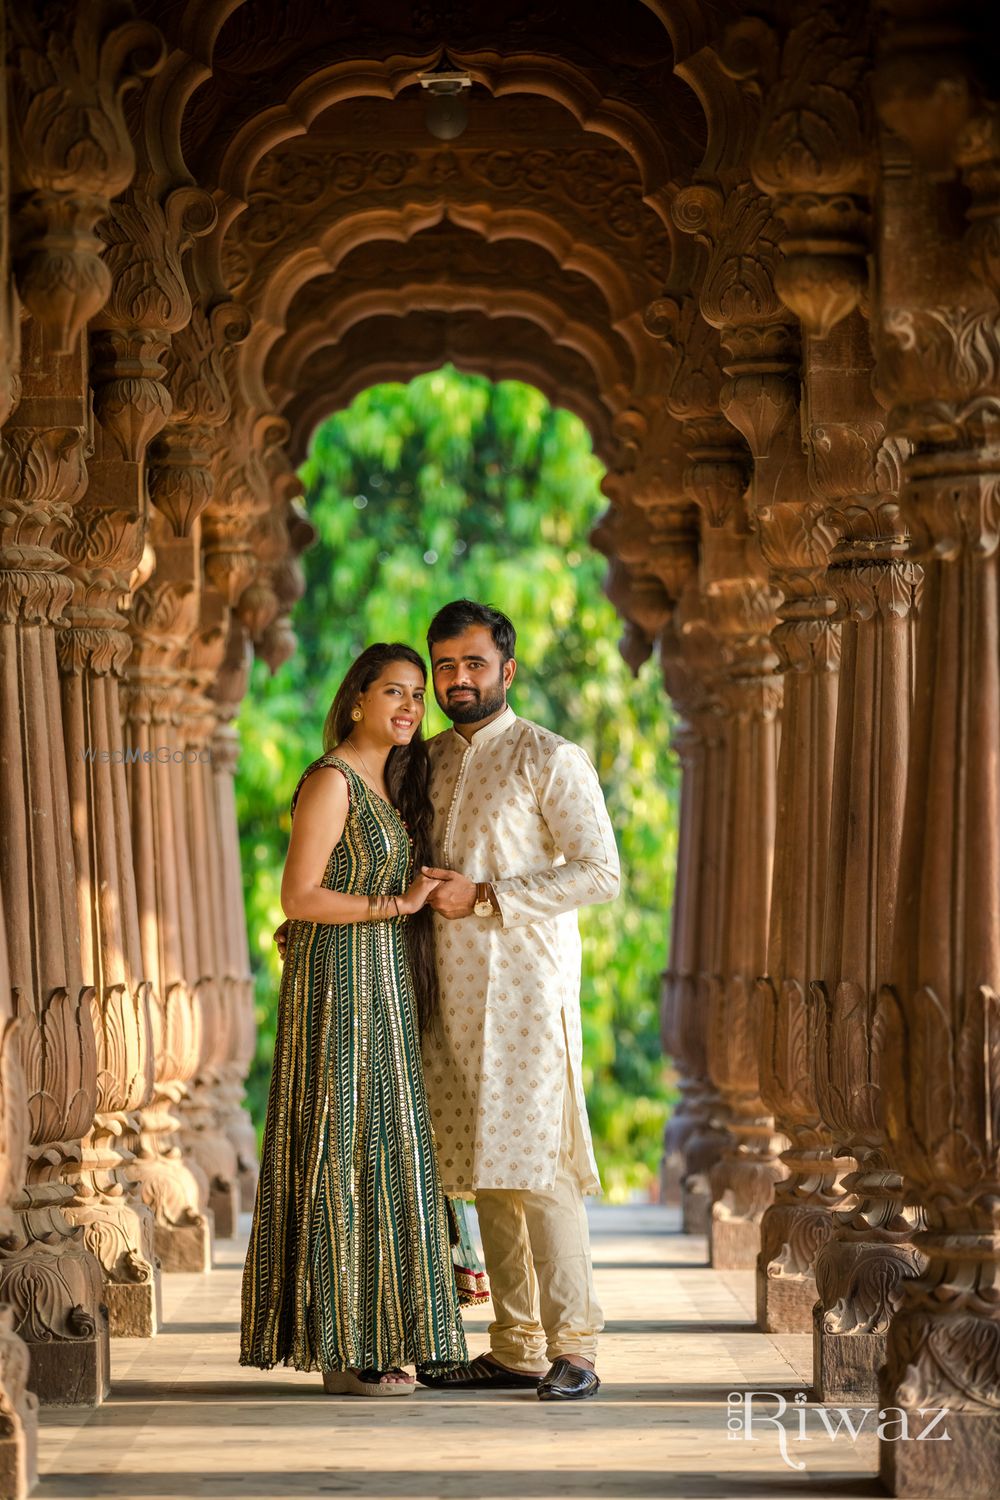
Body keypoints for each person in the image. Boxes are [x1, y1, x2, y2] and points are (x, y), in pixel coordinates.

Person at [241, 643, 471, 1396]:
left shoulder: (391, 780)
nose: (410, 707)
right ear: (356, 701)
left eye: (416, 695)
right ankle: (344, 1348)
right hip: (337, 984)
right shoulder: (332, 779)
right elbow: (298, 896)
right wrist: (395, 904)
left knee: (389, 1146)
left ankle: (391, 1335)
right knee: (343, 1145)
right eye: (393, 693)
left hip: (383, 984)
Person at [417, 600, 620, 1402]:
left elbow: (600, 872)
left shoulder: (549, 758)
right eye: (444, 666)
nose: (457, 680)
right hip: (448, 994)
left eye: (472, 664)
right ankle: (514, 1345)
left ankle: (577, 1345)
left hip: (527, 995)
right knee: (486, 1170)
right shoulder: (424, 760)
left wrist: (490, 896)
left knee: (539, 1169)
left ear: (508, 670)